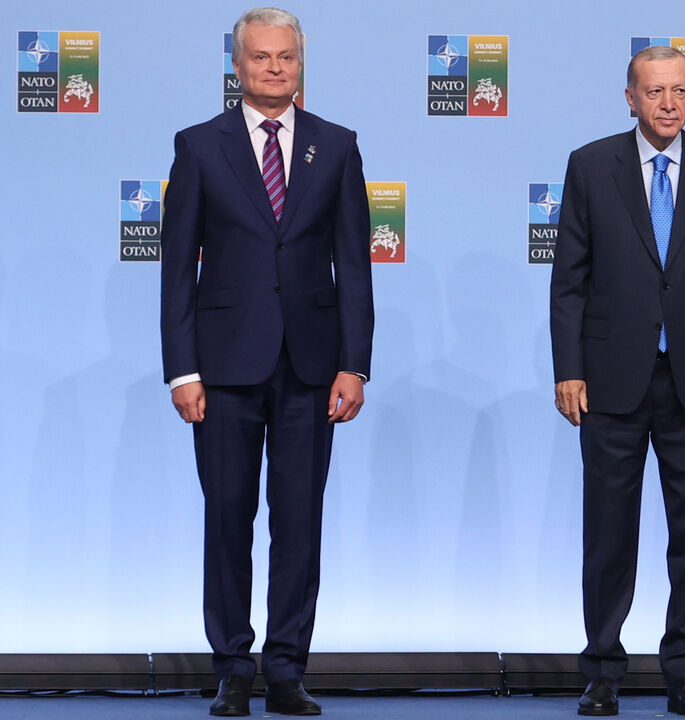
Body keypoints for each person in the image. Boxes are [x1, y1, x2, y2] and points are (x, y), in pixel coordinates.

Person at [160, 7, 373, 716]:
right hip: (222, 369)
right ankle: (232, 667)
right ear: (238, 64)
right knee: (227, 515)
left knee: (300, 519)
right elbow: (176, 270)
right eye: (261, 57)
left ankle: (285, 667)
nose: (275, 68)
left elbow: (354, 265)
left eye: (286, 57)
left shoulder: (337, 147)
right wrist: (182, 370)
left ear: (300, 62)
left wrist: (355, 364)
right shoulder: (199, 147)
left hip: (312, 369)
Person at [549, 45, 685, 718]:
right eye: (654, 92)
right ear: (630, 97)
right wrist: (569, 368)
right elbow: (568, 282)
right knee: (609, 531)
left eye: (680, 92)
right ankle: (602, 668)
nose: (668, 103)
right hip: (609, 380)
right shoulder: (589, 165)